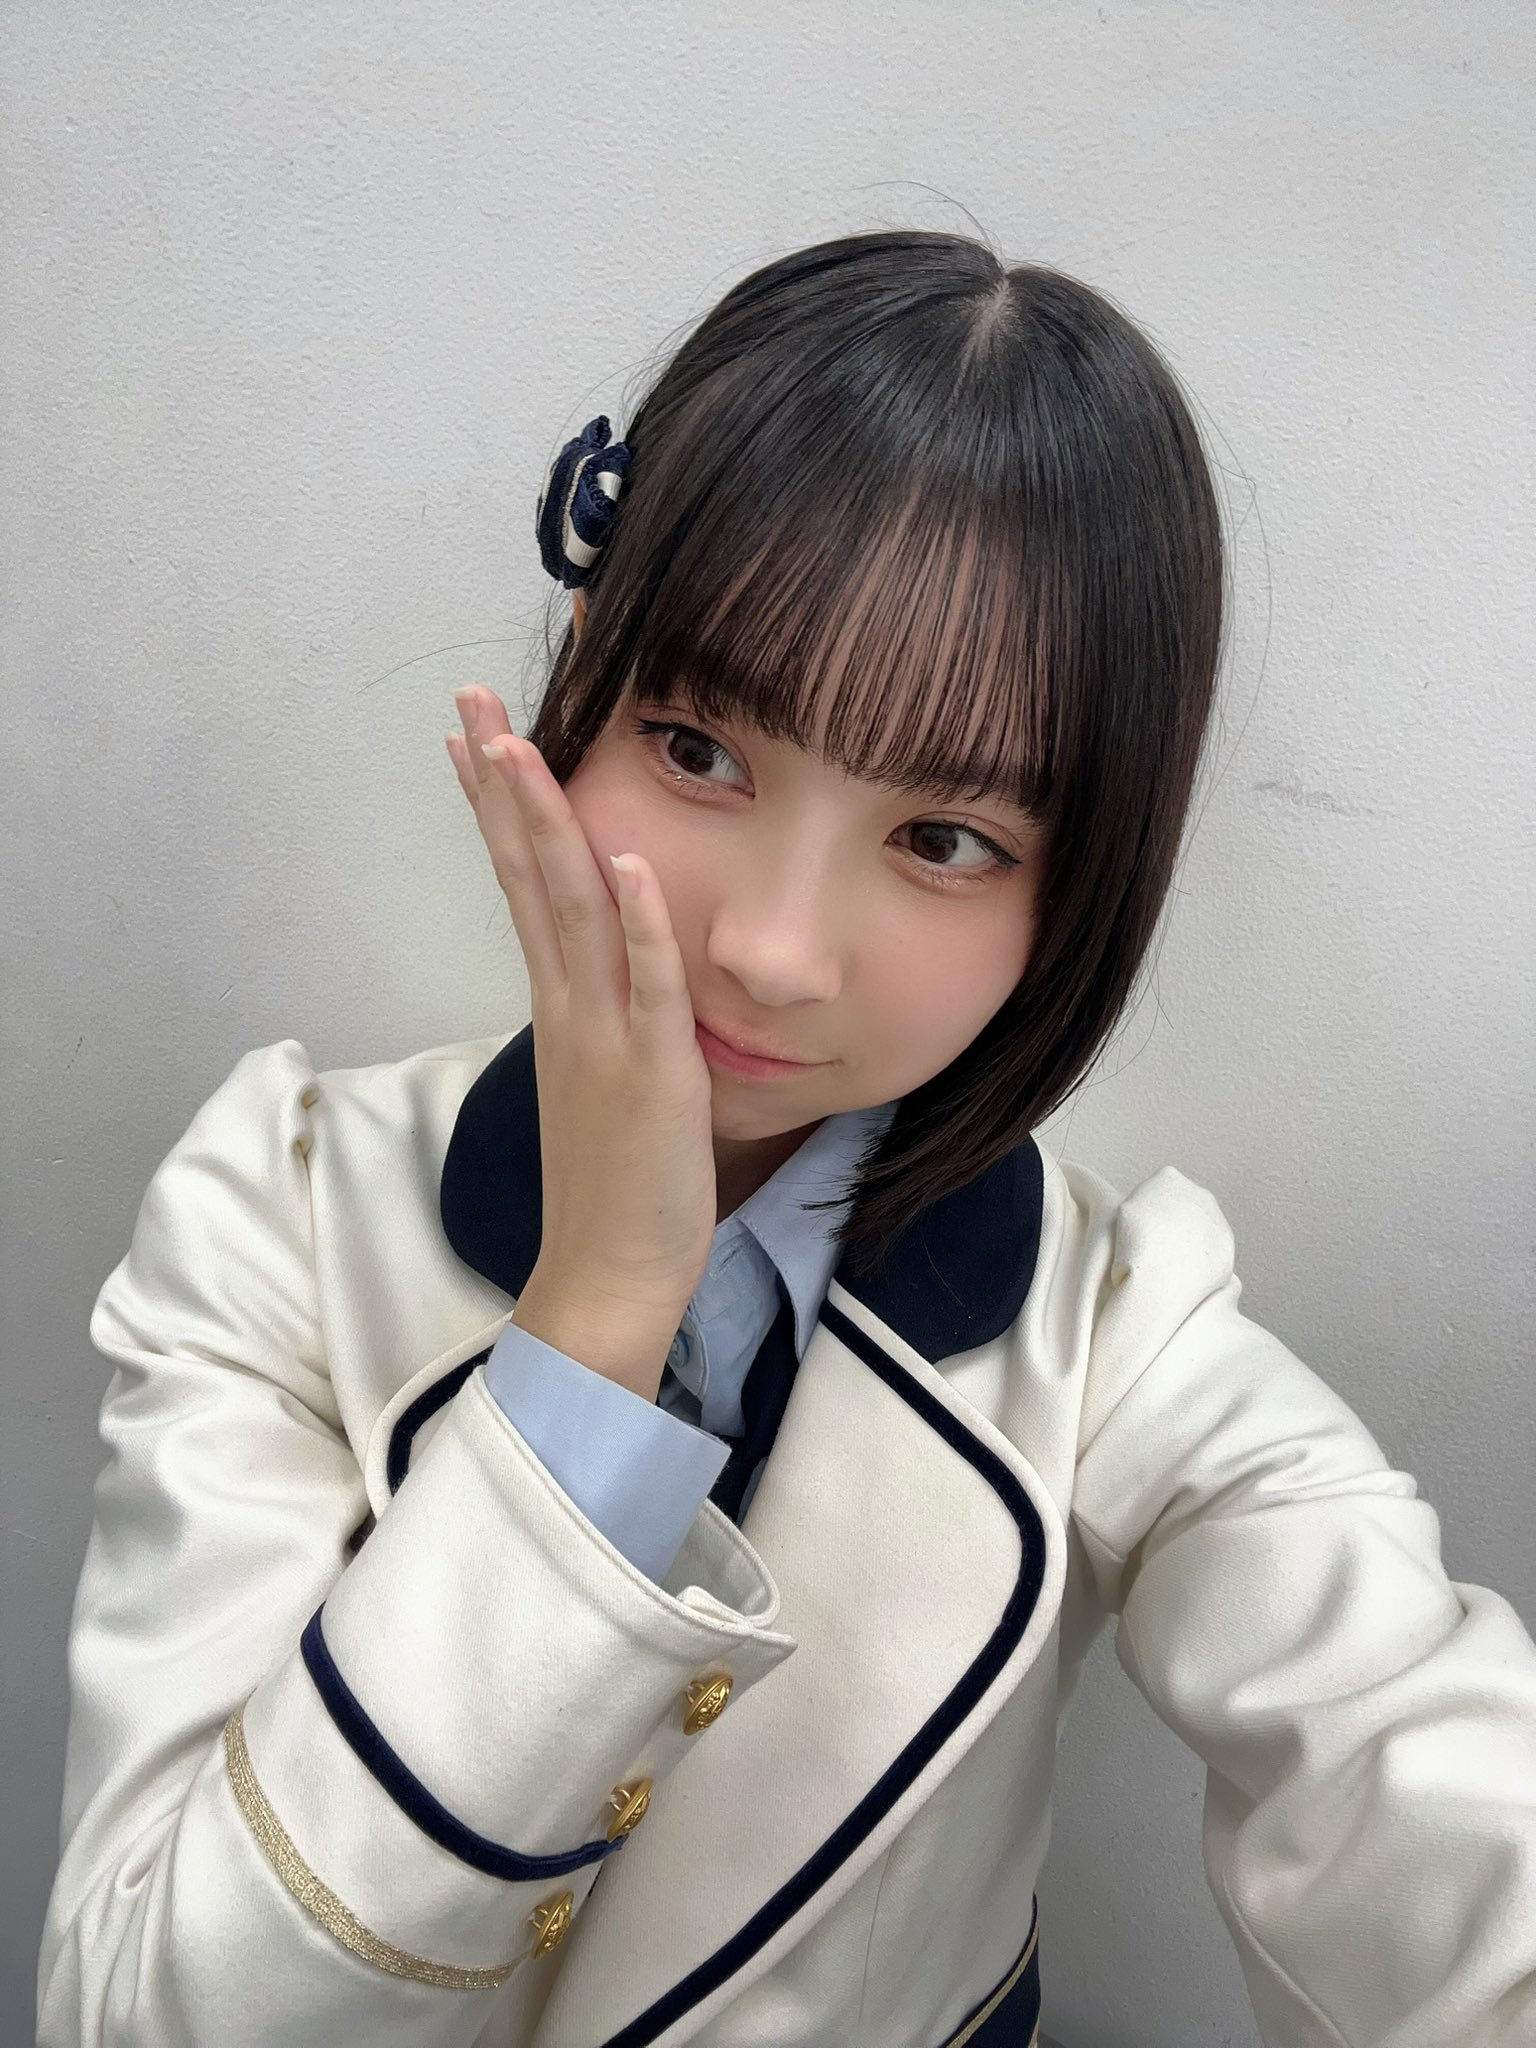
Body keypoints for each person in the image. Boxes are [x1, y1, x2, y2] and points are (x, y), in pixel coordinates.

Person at [37, 230, 1536, 2048]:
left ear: (1076, 894)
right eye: (697, 747)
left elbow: (1422, 1776)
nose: (769, 948)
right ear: (582, 680)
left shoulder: (1118, 1329)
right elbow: (149, 2011)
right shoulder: (280, 1207)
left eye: (945, 840)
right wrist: (595, 1323)